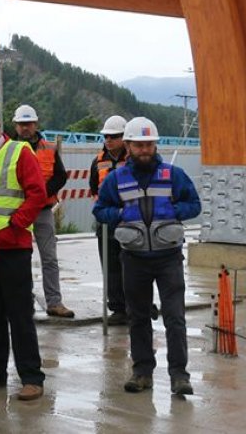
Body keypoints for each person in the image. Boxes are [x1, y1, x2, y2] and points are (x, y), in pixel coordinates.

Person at [93, 117, 201, 396]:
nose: (144, 150)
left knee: (175, 317)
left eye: (149, 144)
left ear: (155, 145)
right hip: (134, 258)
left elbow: (194, 204)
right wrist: (119, 215)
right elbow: (99, 210)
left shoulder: (172, 174)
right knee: (138, 317)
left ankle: (179, 375)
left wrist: (175, 213)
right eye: (139, 145)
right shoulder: (116, 179)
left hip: (169, 258)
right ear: (128, 146)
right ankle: (142, 372)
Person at [0, 100, 46, 402]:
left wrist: (16, 224)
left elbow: (37, 194)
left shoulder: (19, 152)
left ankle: (31, 377)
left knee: (20, 315)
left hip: (13, 248)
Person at [11, 104, 73, 319]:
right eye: (21, 124)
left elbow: (61, 176)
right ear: (16, 126)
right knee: (20, 259)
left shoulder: (49, 148)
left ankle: (54, 302)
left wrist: (40, 193)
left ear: (35, 124)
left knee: (49, 258)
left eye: (28, 124)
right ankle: (24, 300)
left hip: (42, 210)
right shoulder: (8, 149)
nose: (25, 128)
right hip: (18, 211)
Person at [90, 115, 129, 325]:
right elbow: (93, 187)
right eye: (106, 136)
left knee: (131, 267)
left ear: (124, 137)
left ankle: (136, 304)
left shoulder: (133, 159)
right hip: (106, 223)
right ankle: (118, 308)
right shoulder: (98, 161)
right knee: (111, 268)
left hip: (130, 221)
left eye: (114, 136)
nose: (109, 140)